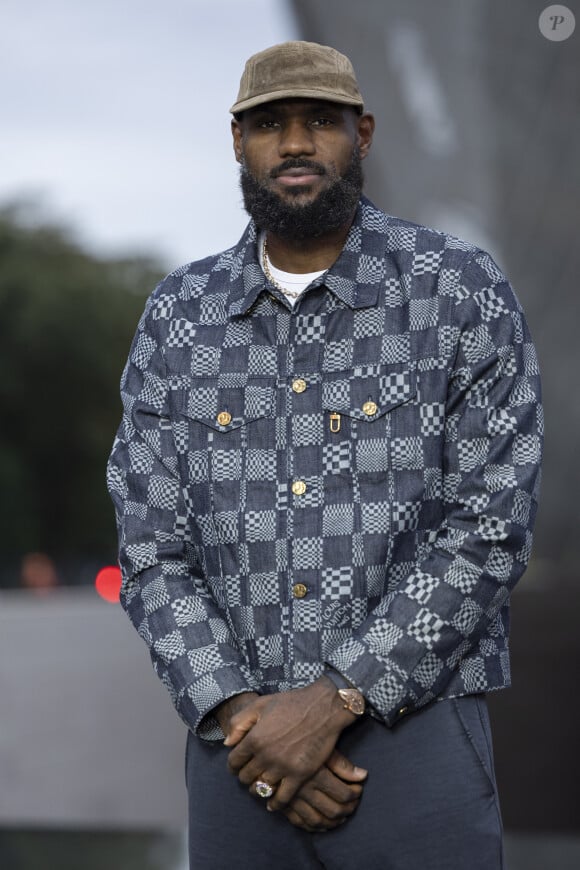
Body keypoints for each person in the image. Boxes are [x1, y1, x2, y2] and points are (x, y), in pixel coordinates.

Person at [107, 41, 542, 869]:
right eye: (270, 124)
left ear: (364, 134)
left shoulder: (459, 290)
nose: (296, 143)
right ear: (237, 141)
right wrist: (244, 716)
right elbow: (149, 546)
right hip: (236, 752)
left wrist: (335, 700)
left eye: (321, 121)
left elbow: (490, 527)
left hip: (417, 738)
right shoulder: (178, 316)